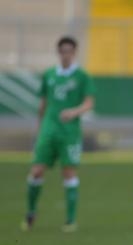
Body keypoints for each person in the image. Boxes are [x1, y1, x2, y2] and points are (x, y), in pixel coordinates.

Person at [21, 36, 95, 232]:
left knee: (68, 172)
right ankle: (31, 212)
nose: (66, 54)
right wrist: (39, 129)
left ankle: (70, 220)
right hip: (48, 130)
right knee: (36, 170)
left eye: (69, 51)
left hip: (69, 133)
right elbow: (43, 104)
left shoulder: (82, 76)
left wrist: (73, 112)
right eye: (63, 51)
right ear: (59, 52)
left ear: (74, 52)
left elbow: (89, 103)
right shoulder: (49, 74)